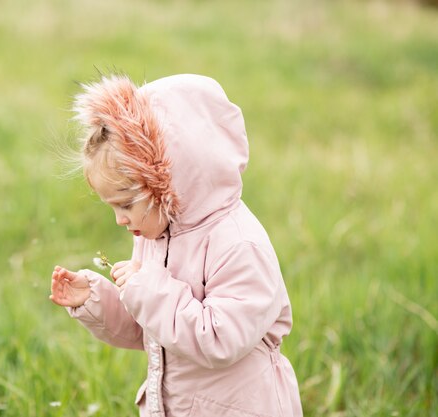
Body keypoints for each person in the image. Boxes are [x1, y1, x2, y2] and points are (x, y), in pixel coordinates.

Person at [50, 73, 303, 417]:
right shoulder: (158, 236)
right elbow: (153, 327)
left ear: (168, 183)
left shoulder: (240, 246)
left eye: (126, 204)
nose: (120, 220)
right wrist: (96, 300)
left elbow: (219, 339)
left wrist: (149, 291)